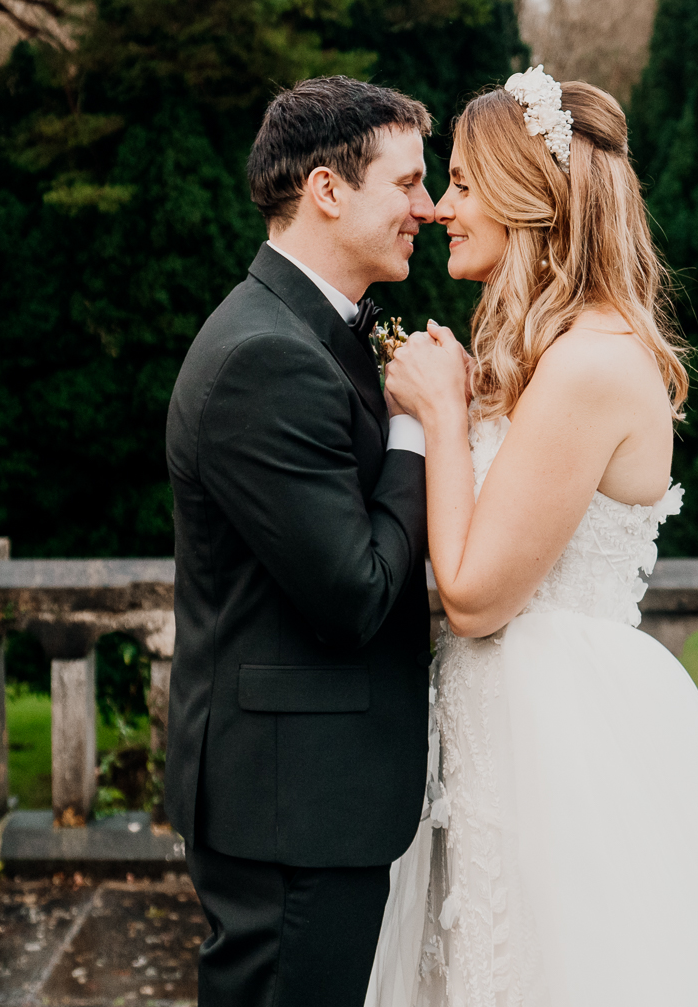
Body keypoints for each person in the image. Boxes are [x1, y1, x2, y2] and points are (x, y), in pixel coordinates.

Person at [370, 68, 698, 1006]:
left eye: (461, 184)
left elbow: (471, 595)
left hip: (560, 739)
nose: (441, 209)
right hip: (499, 729)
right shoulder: (550, 352)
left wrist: (438, 415)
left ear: (527, 200)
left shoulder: (589, 364)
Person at [165, 76, 439, 1006]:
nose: (427, 207)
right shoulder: (264, 356)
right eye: (406, 184)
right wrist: (418, 429)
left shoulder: (312, 330)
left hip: (308, 792)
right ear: (328, 190)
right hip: (292, 802)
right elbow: (355, 591)